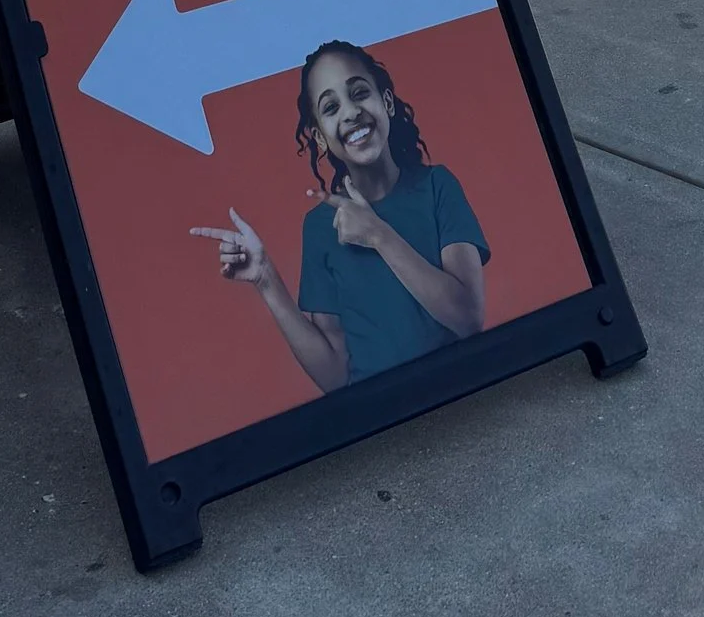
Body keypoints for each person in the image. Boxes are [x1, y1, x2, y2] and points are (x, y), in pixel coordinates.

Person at [191, 40, 488, 393]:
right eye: (331, 107)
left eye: (359, 93)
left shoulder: (438, 186)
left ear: (387, 103)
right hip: (383, 416)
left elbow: (469, 318)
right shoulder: (319, 227)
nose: (350, 112)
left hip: (457, 395)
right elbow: (335, 376)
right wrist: (266, 279)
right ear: (319, 137)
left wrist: (379, 235)